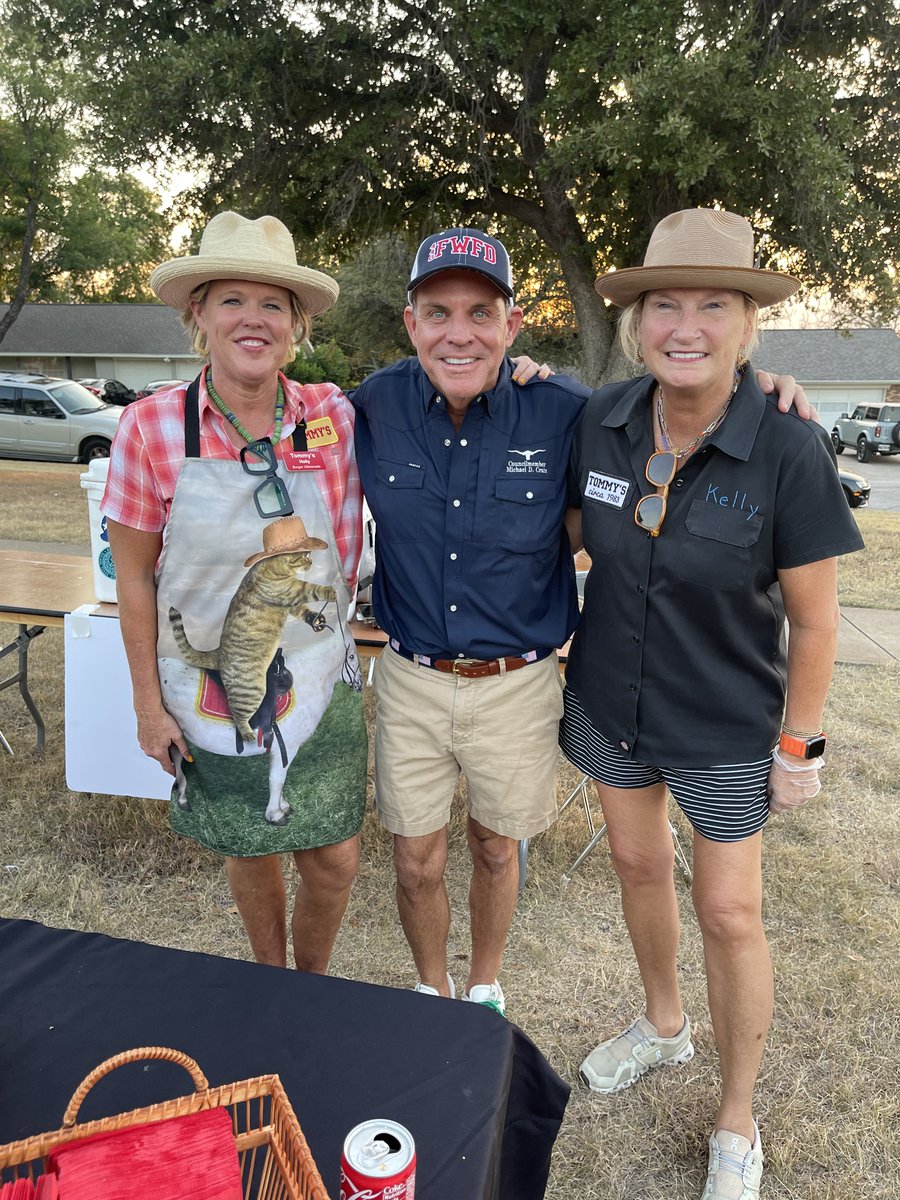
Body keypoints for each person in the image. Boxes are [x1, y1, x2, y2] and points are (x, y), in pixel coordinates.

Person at [351, 226, 809, 1016]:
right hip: (411, 675)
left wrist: (759, 384)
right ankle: (431, 988)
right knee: (415, 860)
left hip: (518, 679)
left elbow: (682, 394)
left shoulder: (565, 410)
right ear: (410, 322)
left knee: (498, 846)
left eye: (481, 313)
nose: (459, 333)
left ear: (513, 322)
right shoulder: (368, 404)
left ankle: (486, 988)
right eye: (438, 312)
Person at [560, 209, 864, 1197]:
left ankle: (736, 1116)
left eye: (712, 305)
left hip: (728, 727)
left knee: (730, 914)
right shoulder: (598, 420)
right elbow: (574, 533)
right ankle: (661, 1023)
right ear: (635, 322)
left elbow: (816, 624)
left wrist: (799, 744)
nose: (684, 325)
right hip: (610, 704)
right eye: (663, 305)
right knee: (639, 865)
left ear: (747, 328)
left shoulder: (788, 446)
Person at [103, 211, 367, 973]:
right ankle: (270, 980)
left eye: (272, 303)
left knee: (336, 856)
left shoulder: (333, 415)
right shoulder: (151, 428)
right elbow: (135, 580)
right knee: (249, 848)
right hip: (213, 678)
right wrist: (148, 706)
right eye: (232, 300)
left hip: (321, 668)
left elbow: (441, 386)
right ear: (199, 314)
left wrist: (524, 374)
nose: (253, 318)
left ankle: (311, 982)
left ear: (294, 325)